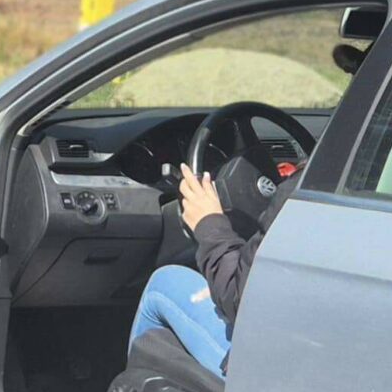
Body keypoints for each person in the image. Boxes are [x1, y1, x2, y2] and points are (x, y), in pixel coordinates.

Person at [127, 162, 300, 377]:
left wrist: (208, 223)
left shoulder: (306, 192)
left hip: (271, 374)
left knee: (163, 284)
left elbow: (242, 301)